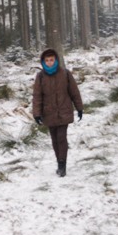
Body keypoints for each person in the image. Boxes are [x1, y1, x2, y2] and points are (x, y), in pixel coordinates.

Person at [32, 48, 83, 177]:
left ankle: (62, 166)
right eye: (47, 60)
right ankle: (59, 162)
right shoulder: (40, 76)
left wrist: (79, 108)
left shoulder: (65, 73)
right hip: (48, 112)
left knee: (61, 138)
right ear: (43, 62)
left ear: (56, 60)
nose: (49, 62)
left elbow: (74, 92)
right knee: (54, 139)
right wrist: (37, 113)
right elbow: (37, 96)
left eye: (52, 60)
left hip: (64, 111)